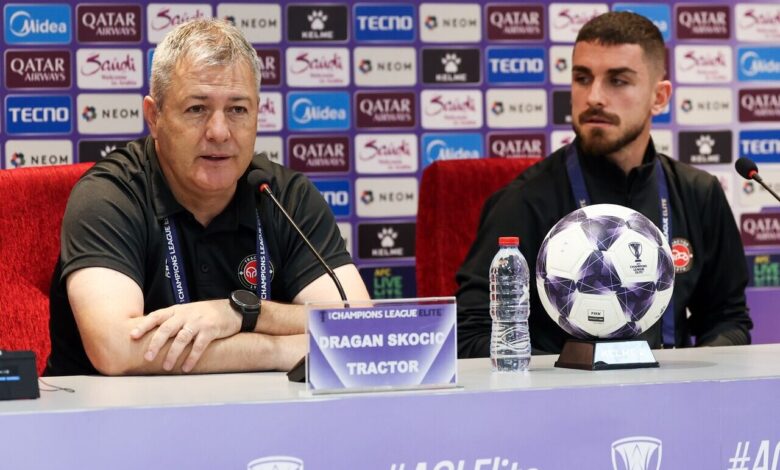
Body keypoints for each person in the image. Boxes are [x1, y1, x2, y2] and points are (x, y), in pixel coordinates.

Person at [46, 19, 370, 376]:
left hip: (262, 410)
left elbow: (359, 329)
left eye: (237, 109)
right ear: (154, 117)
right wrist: (282, 349)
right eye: (197, 109)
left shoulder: (283, 196)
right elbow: (117, 349)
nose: (219, 132)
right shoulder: (110, 196)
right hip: (118, 412)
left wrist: (244, 313)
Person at [456, 11, 752, 357]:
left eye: (618, 81)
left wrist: (689, 369)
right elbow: (473, 333)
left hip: (670, 387)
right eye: (582, 78)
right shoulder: (524, 200)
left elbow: (729, 320)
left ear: (659, 97)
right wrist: (562, 373)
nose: (594, 96)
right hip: (561, 389)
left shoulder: (699, 194)